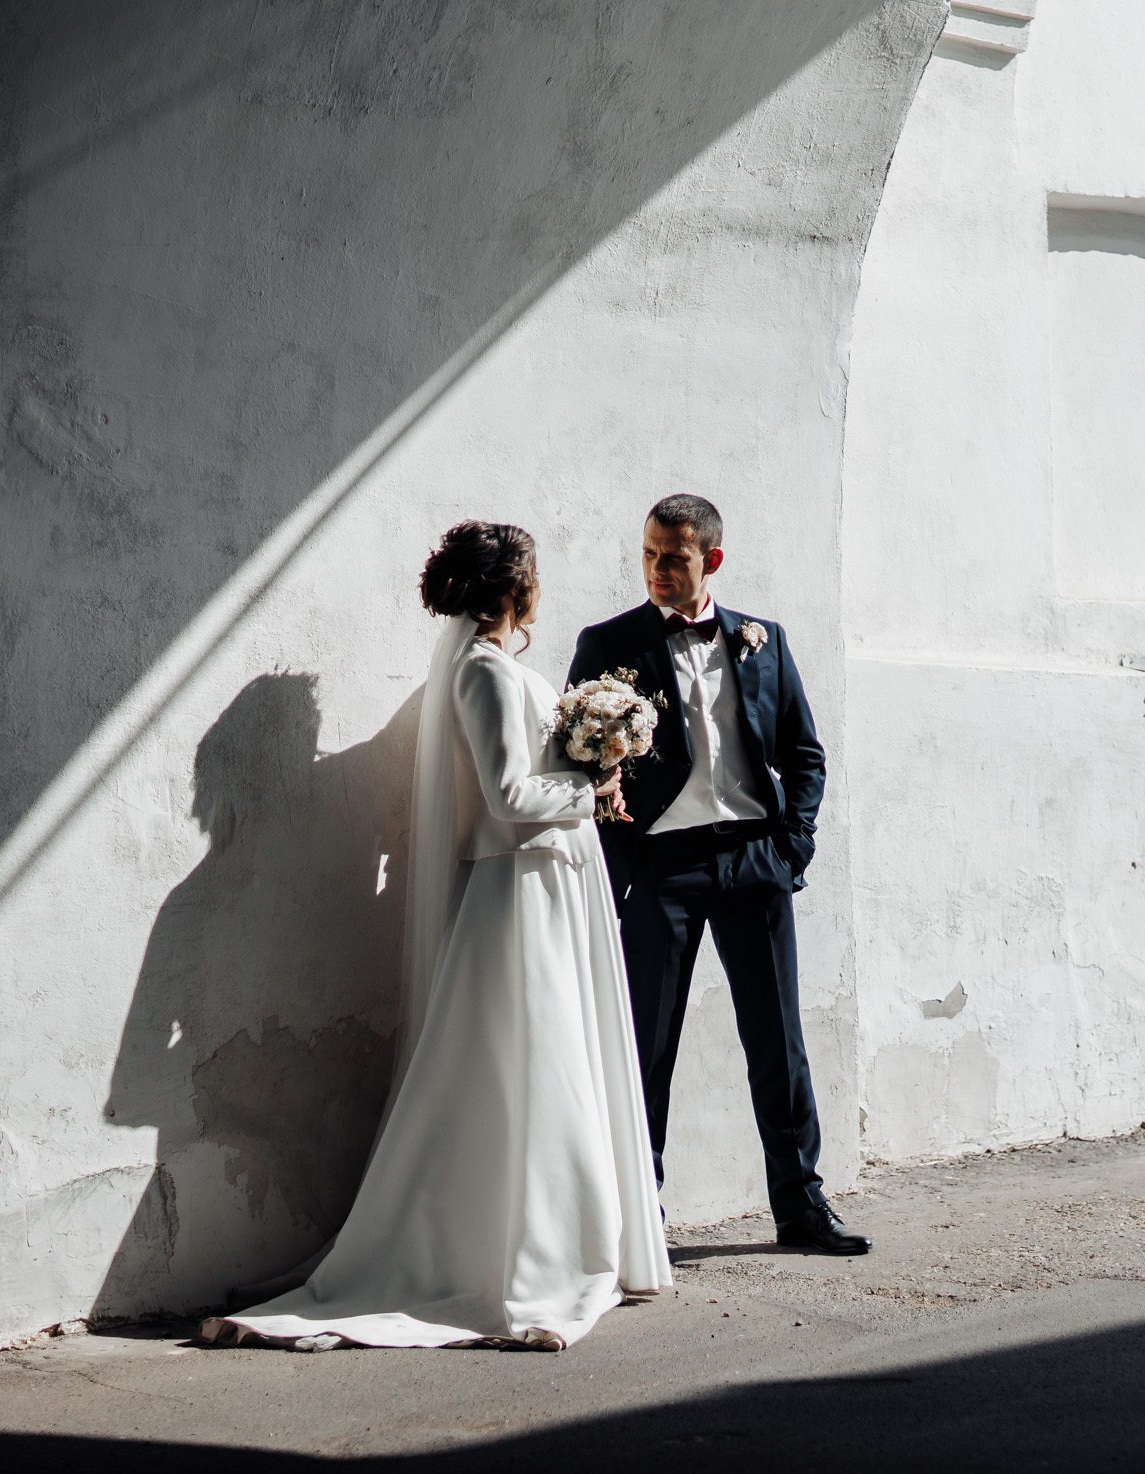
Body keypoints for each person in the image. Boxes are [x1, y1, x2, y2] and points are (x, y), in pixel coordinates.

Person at [208, 522, 668, 1349]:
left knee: (545, 1062)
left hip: (547, 886)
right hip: (520, 891)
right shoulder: (485, 674)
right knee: (532, 1064)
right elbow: (504, 797)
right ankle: (531, 1255)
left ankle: (567, 1237)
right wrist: (591, 786)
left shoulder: (488, 668)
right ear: (516, 586)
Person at [567, 494, 865, 1256]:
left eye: (675, 556)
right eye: (649, 554)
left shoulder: (765, 641)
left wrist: (792, 845)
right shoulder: (608, 643)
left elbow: (804, 752)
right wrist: (612, 845)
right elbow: (573, 762)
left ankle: (801, 1205)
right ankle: (639, 1216)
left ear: (713, 560)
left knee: (779, 1041)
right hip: (661, 868)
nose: (659, 570)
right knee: (646, 1045)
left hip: (754, 861)